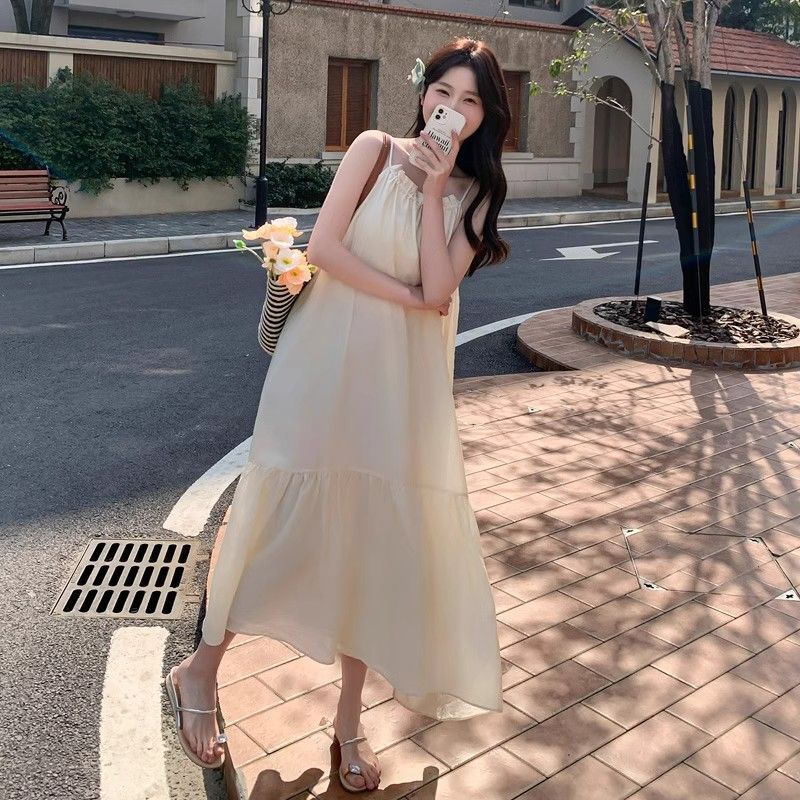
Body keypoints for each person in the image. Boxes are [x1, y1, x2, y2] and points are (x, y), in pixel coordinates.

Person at [165, 36, 511, 793]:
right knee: (276, 517)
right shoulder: (372, 148)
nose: (451, 110)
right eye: (442, 93)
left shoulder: (476, 194)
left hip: (402, 384)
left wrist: (434, 192)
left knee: (373, 539)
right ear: (423, 95)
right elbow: (326, 247)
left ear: (486, 116)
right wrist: (409, 296)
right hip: (322, 362)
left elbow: (441, 290)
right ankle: (201, 669)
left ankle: (349, 720)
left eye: (469, 101)